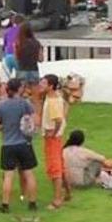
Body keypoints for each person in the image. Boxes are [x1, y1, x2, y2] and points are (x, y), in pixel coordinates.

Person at [0, 79, 38, 214]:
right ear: (19, 89)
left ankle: (5, 204)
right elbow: (34, 120)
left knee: (8, 175)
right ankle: (32, 203)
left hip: (8, 144)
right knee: (29, 174)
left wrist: (4, 127)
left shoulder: (1, 106)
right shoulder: (25, 103)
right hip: (24, 143)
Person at [39, 75, 67, 210]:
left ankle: (57, 200)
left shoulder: (52, 101)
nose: (40, 85)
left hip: (52, 138)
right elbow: (66, 108)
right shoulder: (55, 97)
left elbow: (58, 120)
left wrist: (54, 133)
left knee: (54, 168)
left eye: (43, 83)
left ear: (50, 86)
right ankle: (67, 193)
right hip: (56, 137)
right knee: (60, 166)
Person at [14, 23, 42, 87]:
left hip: (22, 70)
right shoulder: (37, 43)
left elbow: (16, 58)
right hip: (34, 70)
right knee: (34, 92)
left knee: (21, 91)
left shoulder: (18, 43)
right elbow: (40, 59)